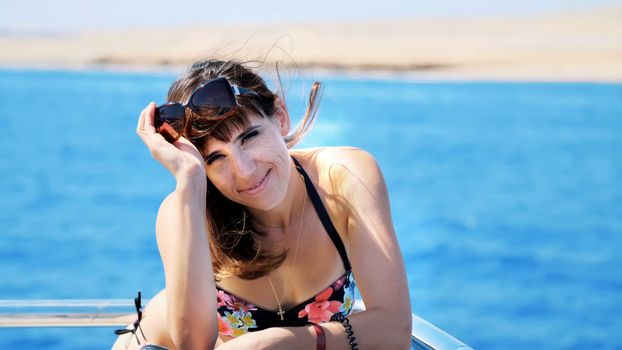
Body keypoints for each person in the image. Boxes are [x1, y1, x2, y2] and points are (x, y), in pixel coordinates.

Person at [112, 58, 411, 350]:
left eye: (250, 137)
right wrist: (190, 178)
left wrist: (282, 341)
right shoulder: (184, 212)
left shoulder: (344, 178)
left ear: (280, 115)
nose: (244, 171)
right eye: (215, 158)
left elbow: (394, 330)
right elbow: (192, 346)